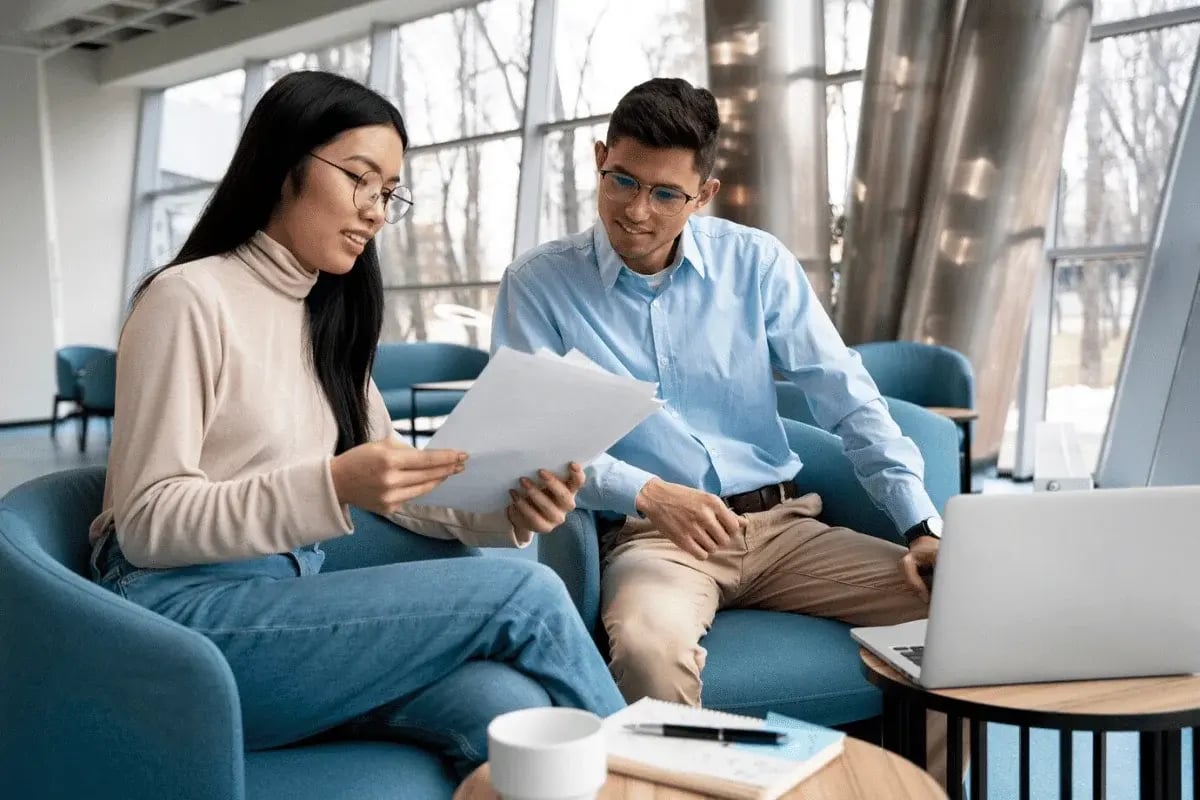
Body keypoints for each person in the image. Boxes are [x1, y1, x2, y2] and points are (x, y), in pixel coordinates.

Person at [88, 70, 624, 777]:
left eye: (388, 192)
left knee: (503, 708)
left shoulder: (324, 315)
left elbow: (395, 475)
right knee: (524, 592)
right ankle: (664, 782)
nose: (375, 210)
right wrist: (332, 484)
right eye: (360, 180)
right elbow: (149, 523)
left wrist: (509, 507)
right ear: (286, 167)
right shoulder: (188, 299)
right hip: (178, 622)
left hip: (285, 605)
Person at [491, 77, 953, 781]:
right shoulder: (539, 285)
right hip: (654, 538)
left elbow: (847, 396)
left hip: (783, 526)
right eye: (621, 179)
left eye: (665, 193)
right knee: (647, 648)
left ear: (703, 195)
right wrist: (650, 494)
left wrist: (920, 524)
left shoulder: (756, 264)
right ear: (598, 158)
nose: (637, 210)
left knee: (960, 612)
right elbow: (537, 438)